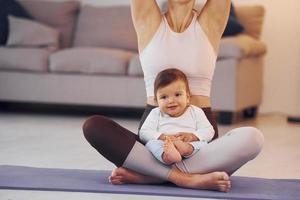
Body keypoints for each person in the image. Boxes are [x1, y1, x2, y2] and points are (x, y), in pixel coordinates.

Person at [82, 0, 264, 192]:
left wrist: (190, 139)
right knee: (94, 126)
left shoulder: (211, 21)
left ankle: (151, 176)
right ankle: (187, 179)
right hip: (156, 138)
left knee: (254, 138)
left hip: (198, 136)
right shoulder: (148, 20)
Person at [140, 68, 215, 165]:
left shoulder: (195, 111)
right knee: (151, 144)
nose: (171, 100)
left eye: (177, 94)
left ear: (187, 97)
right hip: (165, 145)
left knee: (203, 144)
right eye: (164, 97)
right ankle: (167, 157)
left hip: (189, 145)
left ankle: (186, 150)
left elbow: (208, 130)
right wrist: (162, 137)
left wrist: (193, 136)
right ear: (156, 101)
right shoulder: (156, 113)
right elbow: (144, 132)